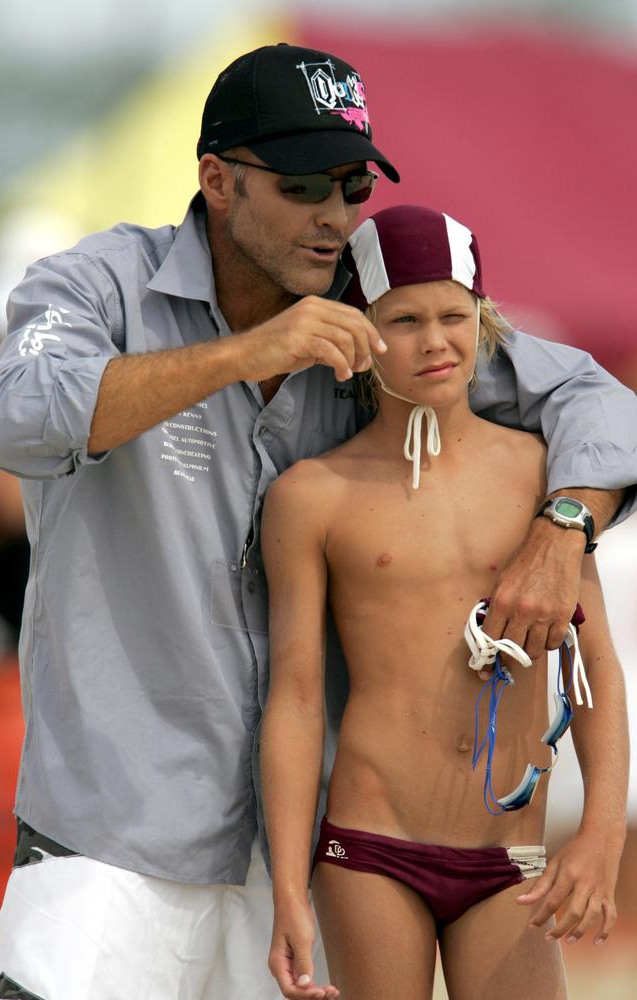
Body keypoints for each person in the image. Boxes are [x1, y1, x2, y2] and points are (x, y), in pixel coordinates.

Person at [0, 39, 635, 999]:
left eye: (350, 185)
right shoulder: (96, 285)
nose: (334, 216)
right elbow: (22, 417)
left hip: (305, 864)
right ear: (217, 180)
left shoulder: (383, 321)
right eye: (302, 186)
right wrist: (244, 353)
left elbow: (595, 398)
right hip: (112, 844)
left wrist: (563, 529)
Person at [260, 205, 630, 1000]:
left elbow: (593, 666)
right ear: (358, 333)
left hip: (509, 855)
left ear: (484, 321)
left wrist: (602, 834)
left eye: (454, 316)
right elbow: (292, 698)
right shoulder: (311, 497)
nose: (435, 341)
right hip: (371, 845)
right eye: (405, 320)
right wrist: (290, 888)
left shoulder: (547, 477)